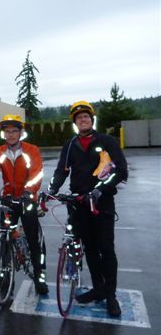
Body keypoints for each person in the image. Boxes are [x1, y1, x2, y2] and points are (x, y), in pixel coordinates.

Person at [47, 101, 128, 316]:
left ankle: (110, 295)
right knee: (89, 248)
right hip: (79, 204)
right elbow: (62, 171)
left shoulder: (107, 141)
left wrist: (100, 189)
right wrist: (51, 189)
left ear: (92, 120)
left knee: (106, 249)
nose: (82, 120)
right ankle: (98, 288)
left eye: (86, 117)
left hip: (102, 203)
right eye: (78, 118)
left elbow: (121, 170)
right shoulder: (70, 145)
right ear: (75, 123)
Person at [0, 114, 48, 295]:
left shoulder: (31, 150)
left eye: (14, 131)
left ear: (21, 133)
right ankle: (6, 276)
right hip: (8, 199)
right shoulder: (0, 152)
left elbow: (37, 173)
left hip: (27, 199)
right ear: (3, 134)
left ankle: (39, 277)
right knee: (6, 237)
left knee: (33, 240)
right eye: (7, 132)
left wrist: (29, 191)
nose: (11, 135)